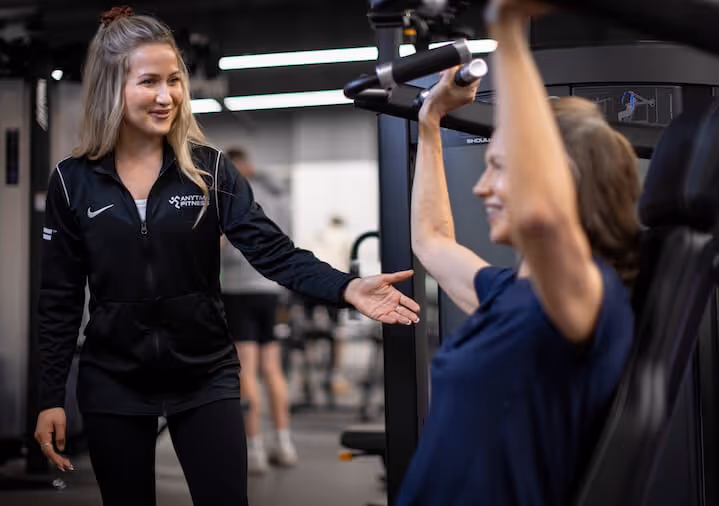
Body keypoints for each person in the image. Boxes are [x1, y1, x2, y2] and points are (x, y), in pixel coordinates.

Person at [33, 7, 420, 506]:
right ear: (111, 88)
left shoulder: (209, 170)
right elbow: (59, 298)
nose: (166, 96)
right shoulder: (72, 181)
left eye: (174, 80)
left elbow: (273, 251)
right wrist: (49, 398)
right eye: (148, 81)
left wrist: (345, 287)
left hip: (204, 374)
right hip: (114, 380)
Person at [398, 0, 641, 505]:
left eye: (501, 167)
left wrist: (505, 26)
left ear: (563, 181)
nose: (483, 187)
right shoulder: (510, 295)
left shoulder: (587, 300)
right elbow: (432, 240)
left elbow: (540, 215)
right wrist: (431, 120)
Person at [220, 147, 296, 474]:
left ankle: (255, 449)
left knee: (246, 370)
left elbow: (221, 249)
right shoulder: (276, 193)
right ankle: (285, 442)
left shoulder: (230, 195)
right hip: (271, 291)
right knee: (272, 368)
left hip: (239, 290)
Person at [302, 214, 353, 396]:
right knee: (337, 332)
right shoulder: (345, 237)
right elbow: (349, 264)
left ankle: (306, 377)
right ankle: (335, 376)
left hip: (309, 286)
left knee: (308, 332)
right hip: (333, 284)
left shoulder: (315, 234)